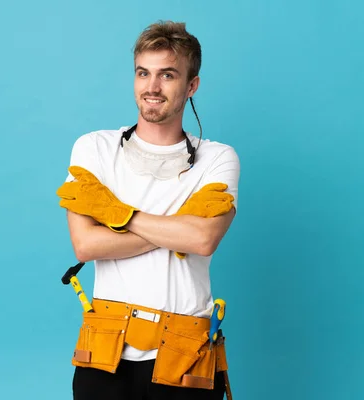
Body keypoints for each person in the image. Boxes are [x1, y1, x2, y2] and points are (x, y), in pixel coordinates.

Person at [56, 20, 240, 400]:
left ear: (192, 86)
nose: (152, 87)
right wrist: (177, 228)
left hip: (185, 357)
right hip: (105, 354)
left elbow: (203, 239)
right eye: (144, 73)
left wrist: (119, 216)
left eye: (167, 75)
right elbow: (86, 246)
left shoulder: (217, 158)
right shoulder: (95, 149)